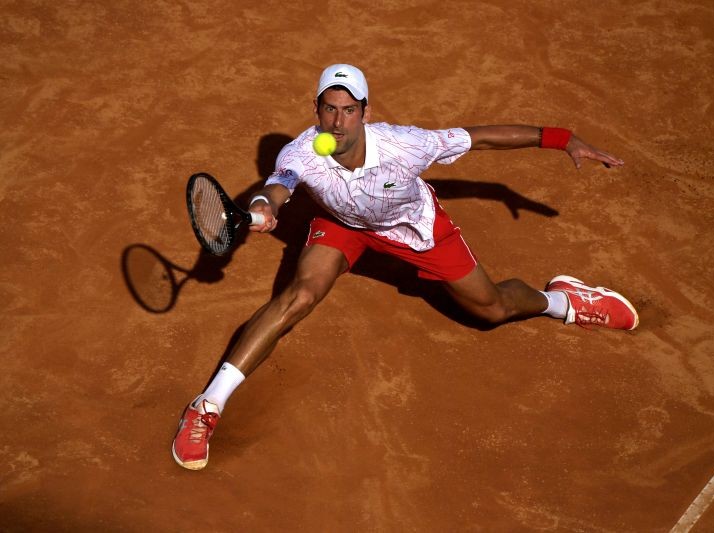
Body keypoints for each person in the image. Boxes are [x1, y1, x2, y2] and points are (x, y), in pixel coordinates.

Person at [172, 64, 638, 470]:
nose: (338, 120)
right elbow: (275, 190)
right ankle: (207, 406)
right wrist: (262, 206)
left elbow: (484, 138)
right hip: (343, 226)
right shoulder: (301, 152)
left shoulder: (405, 145)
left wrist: (563, 140)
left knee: (491, 309)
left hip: (415, 229)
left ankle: (562, 300)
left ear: (366, 112)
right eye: (329, 109)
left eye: (349, 110)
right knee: (299, 296)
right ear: (316, 111)